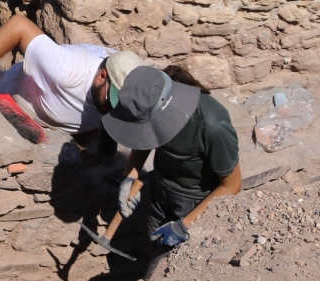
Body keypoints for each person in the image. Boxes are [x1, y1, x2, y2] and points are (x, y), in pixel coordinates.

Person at [102, 65, 241, 268]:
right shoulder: (153, 94)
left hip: (195, 201)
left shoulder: (212, 125)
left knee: (166, 269)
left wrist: (184, 225)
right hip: (160, 191)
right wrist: (130, 176)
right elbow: (145, 136)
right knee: (152, 252)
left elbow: (233, 185)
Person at [0, 13, 143, 136]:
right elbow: (18, 25)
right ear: (101, 77)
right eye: (111, 100)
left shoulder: (140, 86)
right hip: (18, 103)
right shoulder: (67, 69)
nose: (113, 108)